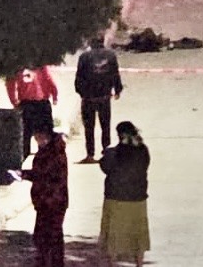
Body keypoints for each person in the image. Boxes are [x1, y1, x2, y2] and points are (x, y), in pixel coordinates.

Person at [99, 122, 151, 267]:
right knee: (137, 234)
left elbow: (105, 166)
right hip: (138, 198)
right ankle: (139, 263)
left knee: (113, 235)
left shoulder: (114, 153)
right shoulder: (143, 150)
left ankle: (112, 263)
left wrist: (107, 153)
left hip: (116, 198)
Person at [20, 123, 69, 267]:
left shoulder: (52, 153)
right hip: (48, 200)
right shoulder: (51, 150)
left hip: (51, 200)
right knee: (49, 236)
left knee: (49, 236)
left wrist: (23, 174)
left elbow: (44, 174)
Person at [75, 34, 124, 164]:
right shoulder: (111, 55)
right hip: (104, 97)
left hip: (89, 98)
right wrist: (117, 90)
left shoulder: (84, 57)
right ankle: (106, 153)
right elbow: (115, 74)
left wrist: (81, 93)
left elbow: (79, 77)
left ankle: (90, 155)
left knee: (89, 128)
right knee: (105, 126)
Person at [6, 66, 58, 159]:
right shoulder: (40, 65)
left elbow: (10, 83)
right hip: (41, 102)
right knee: (45, 133)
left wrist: (14, 101)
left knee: (26, 134)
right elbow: (49, 79)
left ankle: (24, 157)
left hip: (27, 103)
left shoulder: (18, 66)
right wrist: (54, 94)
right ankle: (46, 157)